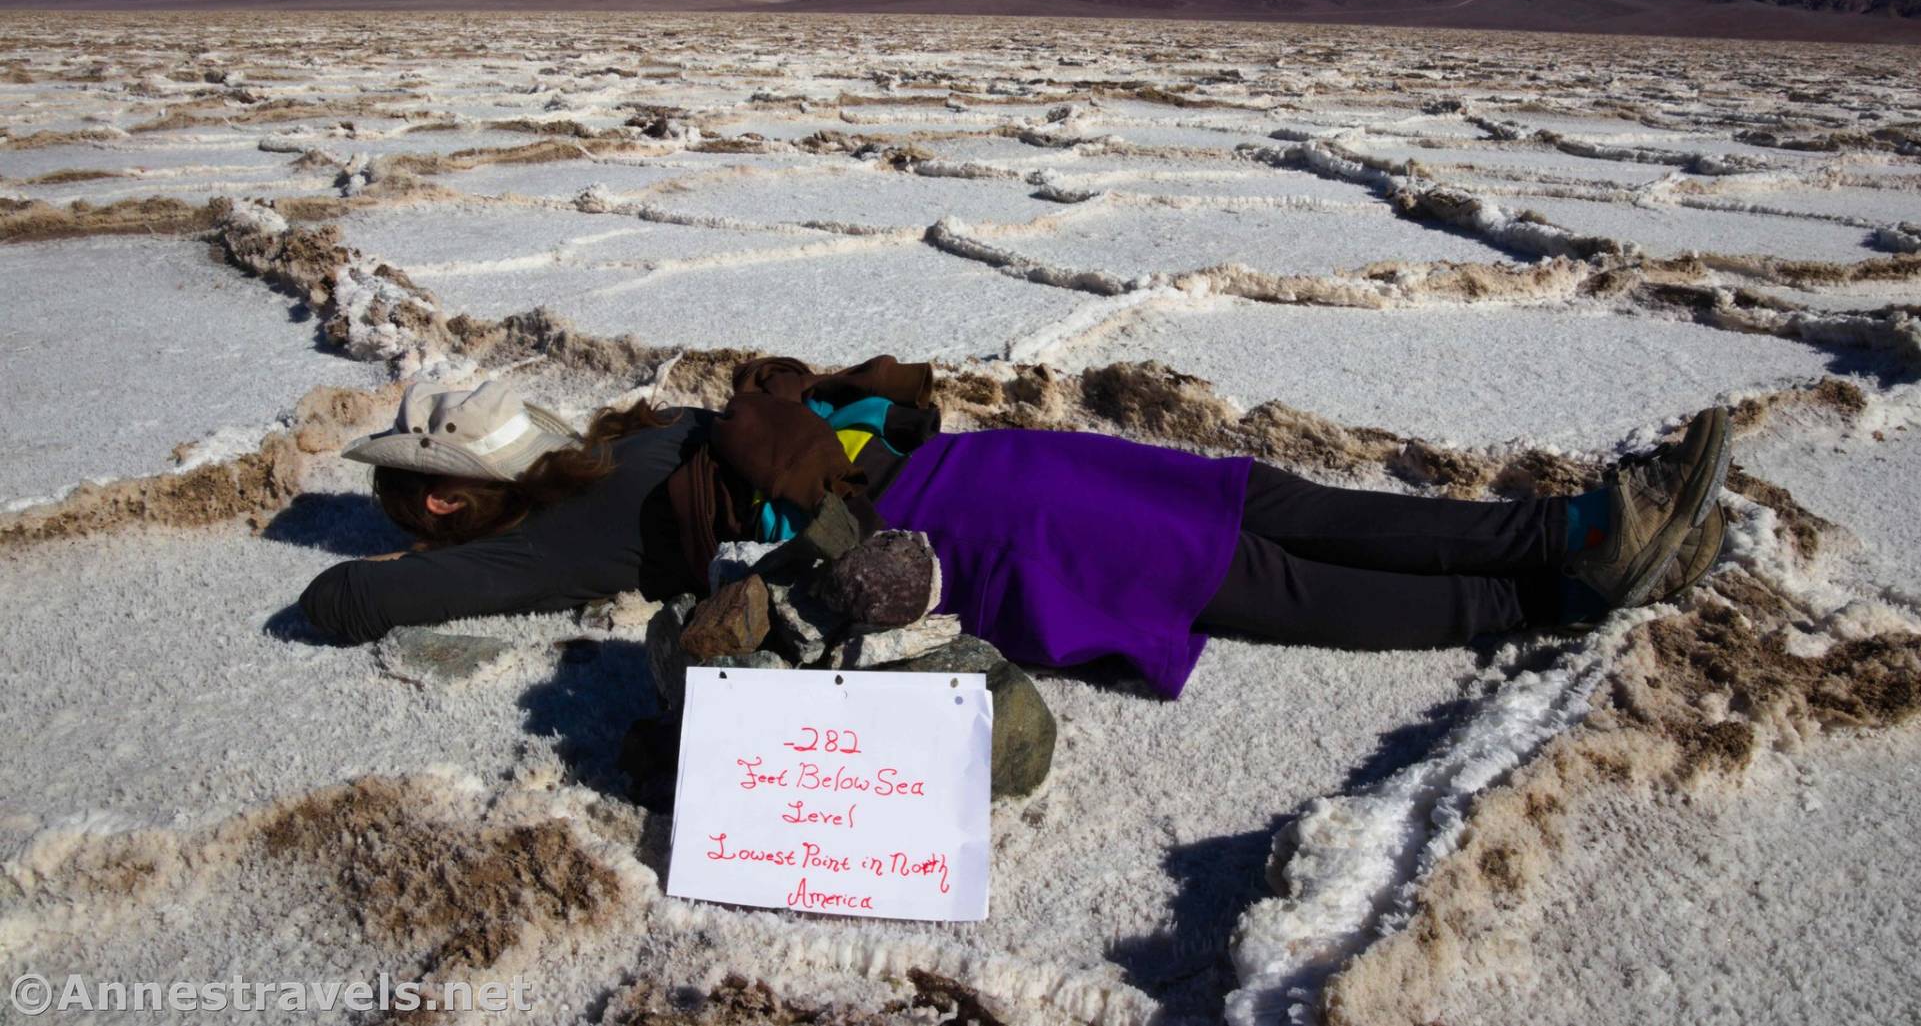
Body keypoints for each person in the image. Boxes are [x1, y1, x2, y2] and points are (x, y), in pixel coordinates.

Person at [299, 356, 1730, 700]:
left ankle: (1551, 583)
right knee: (1255, 511)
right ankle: (1576, 537)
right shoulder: (641, 429)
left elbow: (369, 604)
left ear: (439, 497)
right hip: (995, 467)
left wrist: (339, 580)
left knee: (1260, 569)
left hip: (981, 529)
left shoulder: (589, 522)